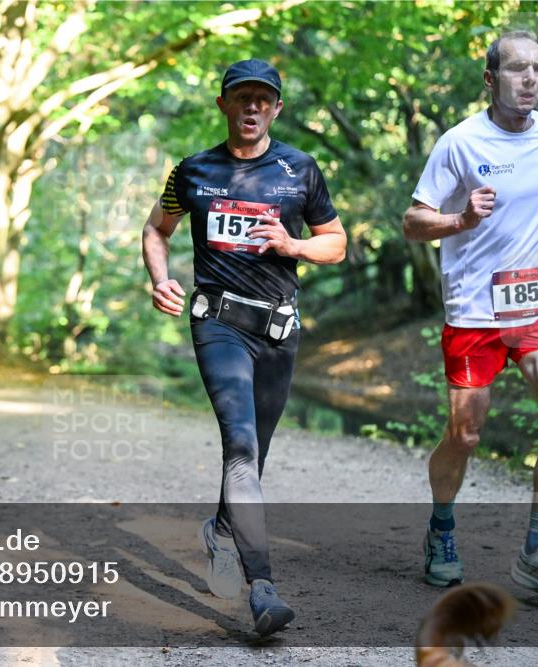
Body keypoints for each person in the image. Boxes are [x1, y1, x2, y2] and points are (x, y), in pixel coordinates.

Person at [142, 59, 346, 635]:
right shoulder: (193, 171)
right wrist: (160, 278)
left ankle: (224, 531)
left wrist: (294, 245)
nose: (252, 107)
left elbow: (336, 243)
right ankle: (263, 587)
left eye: (263, 99)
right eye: (242, 98)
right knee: (238, 441)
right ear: (224, 105)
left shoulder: (300, 169)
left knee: (255, 455)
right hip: (217, 323)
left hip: (278, 330)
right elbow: (156, 228)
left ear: (277, 109)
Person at [403, 31, 538, 602]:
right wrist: (460, 220)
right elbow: (413, 222)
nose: (530, 79)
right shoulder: (459, 144)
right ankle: (442, 530)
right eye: (517, 69)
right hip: (474, 308)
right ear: (490, 79)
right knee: (466, 433)